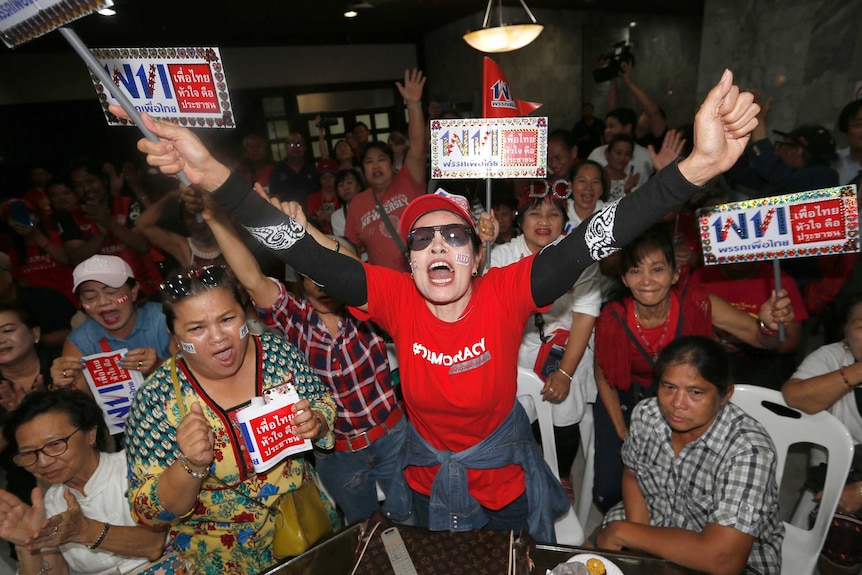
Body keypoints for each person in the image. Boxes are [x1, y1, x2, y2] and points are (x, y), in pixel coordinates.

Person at [115, 68, 763, 541]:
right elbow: (299, 249)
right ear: (410, 259)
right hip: (421, 478)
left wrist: (697, 169)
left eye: (454, 234)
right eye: (421, 239)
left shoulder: (510, 289)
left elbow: (601, 234)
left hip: (503, 477)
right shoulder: (392, 296)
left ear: (476, 255)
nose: (437, 248)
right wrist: (211, 174)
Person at [199, 195, 406, 524]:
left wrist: (309, 234)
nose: (324, 286)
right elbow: (252, 279)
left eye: (331, 277)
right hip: (338, 451)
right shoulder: (296, 316)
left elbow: (357, 270)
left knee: (412, 521)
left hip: (393, 438)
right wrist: (214, 218)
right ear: (300, 282)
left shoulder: (368, 309)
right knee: (364, 530)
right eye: (313, 277)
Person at [124, 264, 337, 575]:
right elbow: (148, 511)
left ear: (245, 313)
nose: (218, 339)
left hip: (302, 525)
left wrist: (315, 421)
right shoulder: (157, 400)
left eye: (227, 319)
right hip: (221, 557)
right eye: (196, 329)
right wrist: (191, 466)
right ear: (173, 334)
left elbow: (322, 401)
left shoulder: (276, 354)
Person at [592, 227, 794, 512]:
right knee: (610, 488)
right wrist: (622, 429)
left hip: (683, 396)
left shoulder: (697, 303)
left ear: (675, 274)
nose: (647, 280)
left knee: (685, 484)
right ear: (624, 278)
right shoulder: (612, 320)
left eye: (658, 269)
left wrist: (769, 324)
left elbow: (759, 337)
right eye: (636, 271)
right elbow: (604, 376)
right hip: (625, 398)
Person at [597, 336, 784, 575]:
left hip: (722, 559)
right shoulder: (648, 414)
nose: (677, 404)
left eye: (695, 392)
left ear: (726, 394)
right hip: (654, 527)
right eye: (668, 387)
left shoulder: (749, 451)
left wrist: (622, 533)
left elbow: (723, 559)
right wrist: (638, 543)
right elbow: (633, 473)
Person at [490, 187, 601, 499]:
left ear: (564, 221)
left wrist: (565, 373)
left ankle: (563, 473)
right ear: (520, 219)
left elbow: (585, 315)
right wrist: (482, 246)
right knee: (513, 422)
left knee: (564, 421)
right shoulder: (501, 256)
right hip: (516, 354)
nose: (544, 221)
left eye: (554, 214)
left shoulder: (579, 254)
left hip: (567, 352)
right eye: (535, 213)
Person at [0, 390, 167, 575]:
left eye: (55, 444)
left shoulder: (136, 466)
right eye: (29, 453)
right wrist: (27, 546)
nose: (43, 462)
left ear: (90, 434)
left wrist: (84, 530)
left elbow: (155, 544)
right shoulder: (51, 504)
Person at [50, 255, 174, 439]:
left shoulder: (166, 319)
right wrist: (63, 387)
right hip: (128, 439)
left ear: (134, 291)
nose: (102, 302)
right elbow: (80, 411)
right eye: (90, 296)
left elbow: (201, 376)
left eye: (112, 292)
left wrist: (159, 366)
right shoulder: (79, 341)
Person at [782, 294, 862, 575]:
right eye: (861, 327)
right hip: (841, 469)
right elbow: (795, 396)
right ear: (846, 332)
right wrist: (857, 371)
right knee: (842, 533)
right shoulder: (835, 356)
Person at [344, 69, 427, 271]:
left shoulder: (409, 180)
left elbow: (417, 145)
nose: (376, 165)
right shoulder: (357, 204)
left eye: (381, 159)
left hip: (422, 277)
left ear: (393, 166)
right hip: (386, 288)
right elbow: (350, 248)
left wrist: (413, 104)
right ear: (363, 170)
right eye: (369, 161)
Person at [56, 159, 159, 295]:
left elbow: (142, 245)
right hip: (103, 296)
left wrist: (108, 222)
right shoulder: (69, 217)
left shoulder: (129, 204)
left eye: (91, 181)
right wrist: (100, 235)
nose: (87, 189)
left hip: (145, 289)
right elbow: (75, 259)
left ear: (104, 181)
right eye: (79, 185)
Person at [1, 198, 75, 304]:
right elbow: (22, 283)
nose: (20, 220)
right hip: (42, 305)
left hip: (69, 299)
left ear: (37, 217)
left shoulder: (57, 237)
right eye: (12, 218)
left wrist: (35, 235)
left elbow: (67, 260)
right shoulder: (14, 251)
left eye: (26, 215)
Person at [135, 188, 225, 269]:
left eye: (202, 214)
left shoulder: (231, 237)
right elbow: (142, 224)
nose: (199, 221)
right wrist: (170, 196)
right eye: (190, 216)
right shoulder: (182, 246)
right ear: (183, 220)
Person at [587, 107, 654, 186]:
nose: (607, 131)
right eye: (606, 127)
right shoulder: (596, 153)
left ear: (627, 128)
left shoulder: (645, 155)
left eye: (611, 126)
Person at [268, 132, 319, 205]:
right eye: (292, 144)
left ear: (305, 148)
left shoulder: (313, 170)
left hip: (312, 214)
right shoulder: (277, 171)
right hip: (287, 214)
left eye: (299, 144)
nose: (296, 148)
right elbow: (274, 197)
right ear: (286, 147)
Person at [305, 158, 341, 235]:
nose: (328, 181)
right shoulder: (312, 198)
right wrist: (318, 220)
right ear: (319, 179)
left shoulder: (343, 196)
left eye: (331, 176)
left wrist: (330, 219)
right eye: (324, 177)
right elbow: (310, 224)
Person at [603, 134, 640, 202]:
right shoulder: (597, 177)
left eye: (627, 154)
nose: (622, 158)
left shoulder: (631, 182)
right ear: (607, 153)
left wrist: (627, 191)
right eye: (618, 153)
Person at [330, 168, 364, 239]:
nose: (345, 188)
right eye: (341, 185)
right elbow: (345, 243)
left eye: (349, 183)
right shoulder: (337, 216)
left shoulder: (373, 206)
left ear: (359, 186)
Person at [835, 99, 862, 185]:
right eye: (859, 125)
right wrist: (850, 196)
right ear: (846, 133)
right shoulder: (832, 162)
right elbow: (805, 198)